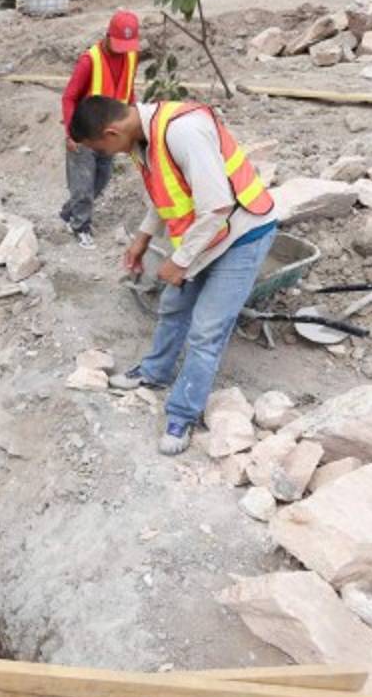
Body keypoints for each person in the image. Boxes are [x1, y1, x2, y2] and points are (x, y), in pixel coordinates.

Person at [68, 96, 278, 456]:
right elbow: (164, 194)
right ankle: (155, 372)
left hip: (242, 234)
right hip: (207, 235)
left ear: (112, 132)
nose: (106, 155)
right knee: (173, 307)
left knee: (206, 331)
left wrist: (180, 261)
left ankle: (182, 414)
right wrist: (142, 237)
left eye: (101, 149)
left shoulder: (183, 132)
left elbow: (218, 207)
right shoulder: (141, 139)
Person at [59, 10, 140, 250]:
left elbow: (129, 91)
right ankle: (80, 226)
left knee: (102, 179)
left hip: (111, 135)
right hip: (85, 134)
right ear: (107, 35)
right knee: (82, 185)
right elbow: (69, 97)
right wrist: (71, 133)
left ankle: (68, 213)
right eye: (119, 44)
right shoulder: (89, 61)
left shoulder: (131, 57)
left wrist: (134, 118)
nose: (122, 51)